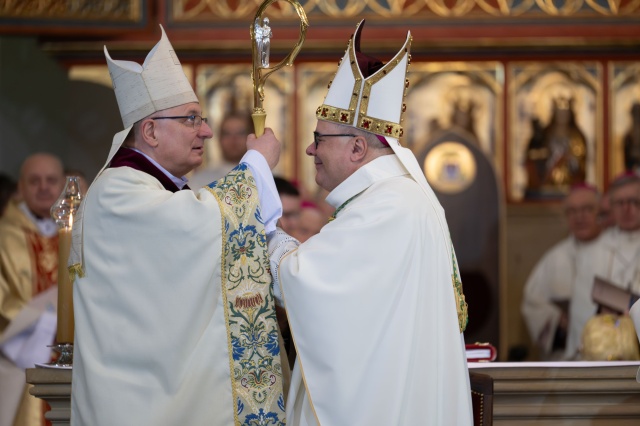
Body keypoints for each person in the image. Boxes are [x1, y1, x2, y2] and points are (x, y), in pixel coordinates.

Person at [70, 26, 287, 426]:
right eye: (191, 119)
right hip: (135, 402)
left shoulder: (149, 188)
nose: (206, 130)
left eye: (201, 118)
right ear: (150, 131)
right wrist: (256, 165)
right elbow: (201, 223)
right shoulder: (118, 191)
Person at [267, 21, 472, 425]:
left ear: (358, 147)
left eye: (319, 139)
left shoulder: (387, 205)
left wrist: (261, 226)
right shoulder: (396, 197)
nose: (309, 149)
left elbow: (302, 281)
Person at [0, 153, 65, 426]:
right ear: (21, 188)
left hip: (72, 364)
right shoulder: (4, 236)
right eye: (34, 181)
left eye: (51, 180)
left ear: (63, 185)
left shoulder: (78, 234)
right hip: (19, 363)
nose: (43, 187)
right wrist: (47, 321)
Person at [521, 184, 602, 360]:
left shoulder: (614, 252)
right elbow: (532, 302)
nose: (579, 217)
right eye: (572, 211)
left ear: (600, 212)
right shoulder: (555, 257)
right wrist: (558, 321)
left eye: (587, 209)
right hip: (565, 358)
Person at [567, 172, 640, 359]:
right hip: (601, 349)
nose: (627, 209)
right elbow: (581, 309)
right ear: (611, 207)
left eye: (634, 202)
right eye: (620, 203)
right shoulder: (592, 252)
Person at [188, 111, 253, 188]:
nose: (233, 139)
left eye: (240, 133)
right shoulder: (199, 181)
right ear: (219, 138)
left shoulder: (260, 176)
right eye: (227, 133)